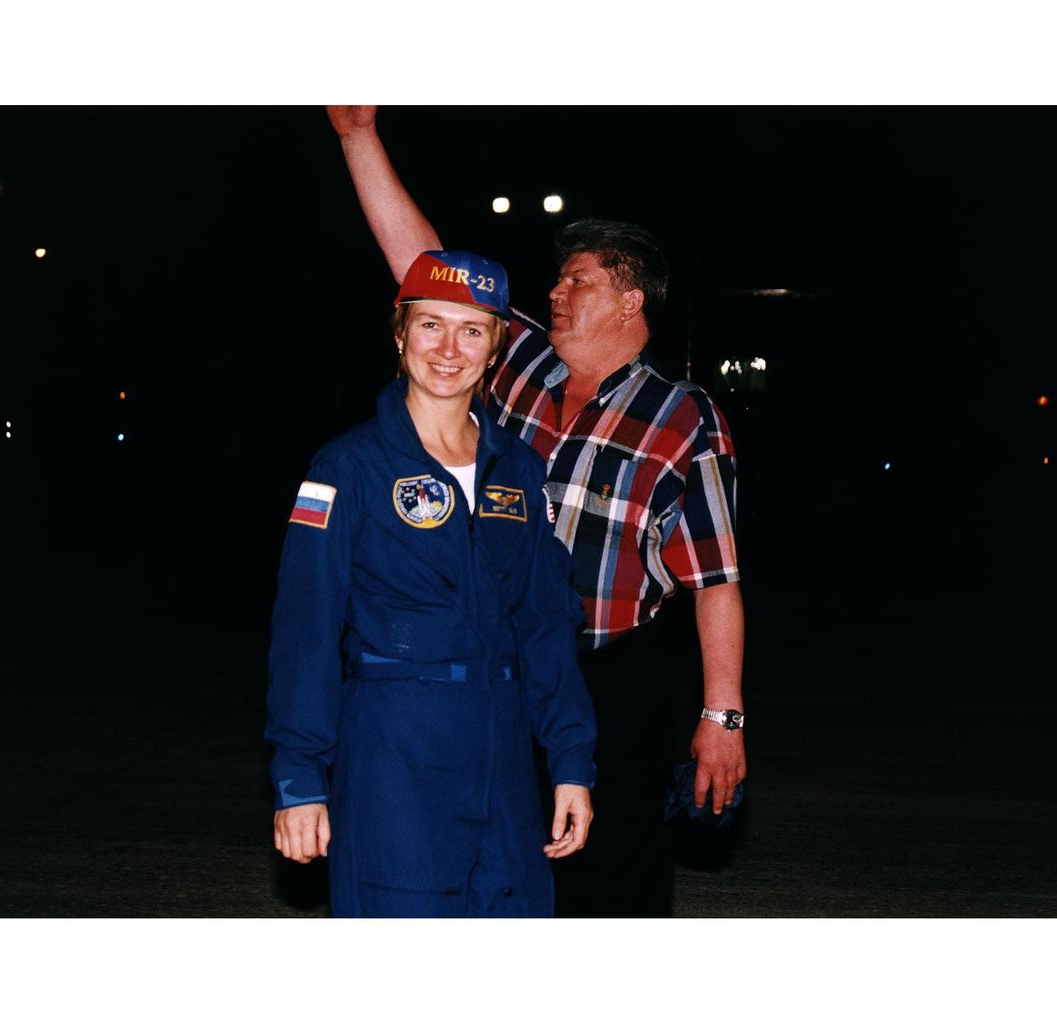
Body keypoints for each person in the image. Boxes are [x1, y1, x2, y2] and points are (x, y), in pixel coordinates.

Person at [327, 106, 746, 917]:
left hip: (612, 677)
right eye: (557, 279)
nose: (554, 290)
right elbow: (425, 269)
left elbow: (716, 578)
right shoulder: (518, 365)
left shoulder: (683, 417)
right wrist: (358, 137)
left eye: (577, 280)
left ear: (629, 300)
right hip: (500, 662)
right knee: (496, 868)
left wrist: (721, 716)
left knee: (609, 887)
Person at [265, 248, 597, 917]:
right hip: (395, 753)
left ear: (495, 348)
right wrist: (300, 778)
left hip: (503, 757)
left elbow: (544, 624)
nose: (449, 349)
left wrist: (570, 761)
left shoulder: (520, 470)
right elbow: (306, 628)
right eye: (430, 325)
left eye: (471, 330)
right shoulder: (347, 467)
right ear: (399, 335)